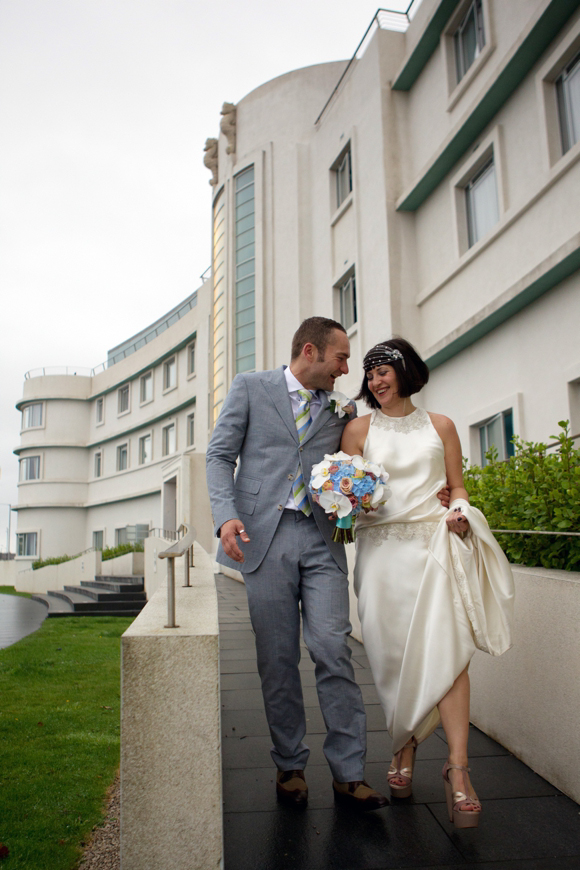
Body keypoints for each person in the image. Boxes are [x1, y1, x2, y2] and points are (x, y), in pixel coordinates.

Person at [205, 316, 388, 810]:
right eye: (342, 358)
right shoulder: (250, 388)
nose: (347, 369)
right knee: (278, 658)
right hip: (262, 537)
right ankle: (290, 764)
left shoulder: (339, 410)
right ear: (310, 352)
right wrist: (225, 517)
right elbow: (219, 456)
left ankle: (349, 773)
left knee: (333, 647)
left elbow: (373, 448)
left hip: (322, 539)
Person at [341, 337, 514, 829]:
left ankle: (458, 771)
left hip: (434, 550)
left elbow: (456, 485)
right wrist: (350, 504)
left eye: (384, 369)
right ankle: (403, 747)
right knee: (392, 658)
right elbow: (346, 496)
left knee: (450, 654)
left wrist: (459, 512)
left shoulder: (442, 426)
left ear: (407, 372)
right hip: (379, 559)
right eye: (370, 372)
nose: (376, 379)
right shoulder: (356, 429)